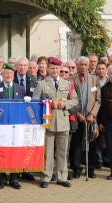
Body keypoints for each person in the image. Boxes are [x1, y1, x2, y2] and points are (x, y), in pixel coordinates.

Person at [33, 58, 79, 188]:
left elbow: (75, 100)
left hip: (63, 122)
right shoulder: (42, 84)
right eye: (52, 68)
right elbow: (35, 101)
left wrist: (64, 104)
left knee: (63, 152)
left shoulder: (67, 84)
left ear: (60, 70)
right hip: (48, 122)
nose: (55, 70)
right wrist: (48, 103)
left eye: (57, 68)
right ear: (48, 69)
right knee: (47, 152)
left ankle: (61, 177)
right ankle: (46, 177)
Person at [0, 63, 25, 189]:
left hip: (15, 126)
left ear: (13, 75)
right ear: (2, 75)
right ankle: (1, 178)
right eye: (6, 73)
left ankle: (14, 179)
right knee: (1, 150)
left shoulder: (20, 89)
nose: (8, 75)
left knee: (15, 151)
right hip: (1, 126)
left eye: (10, 73)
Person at [69, 56, 101, 179]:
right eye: (81, 64)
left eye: (85, 65)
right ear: (77, 66)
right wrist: (78, 114)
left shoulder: (94, 79)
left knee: (92, 144)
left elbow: (98, 100)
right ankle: (76, 168)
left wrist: (92, 114)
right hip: (77, 116)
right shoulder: (72, 79)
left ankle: (91, 169)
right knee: (76, 144)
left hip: (90, 118)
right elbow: (68, 98)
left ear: (88, 66)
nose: (83, 67)